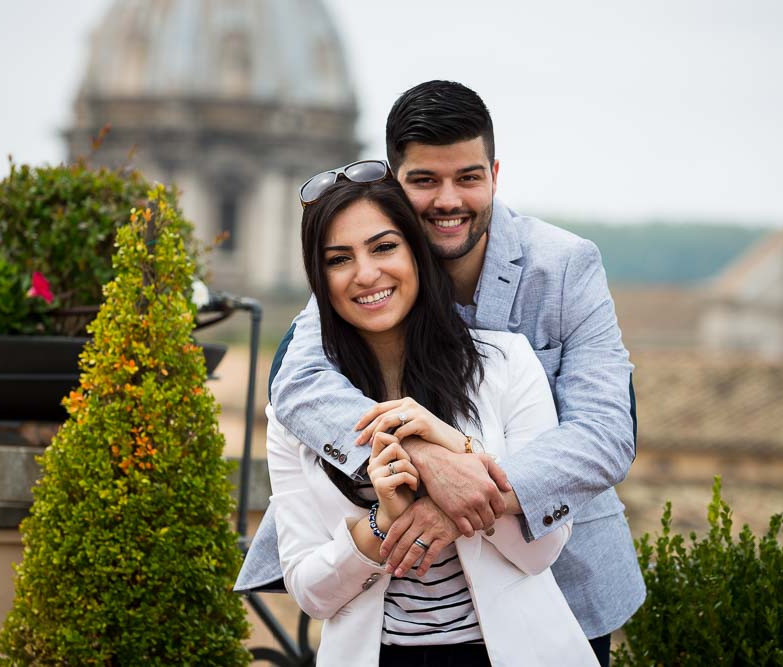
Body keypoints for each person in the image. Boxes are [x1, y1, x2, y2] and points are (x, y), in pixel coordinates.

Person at [237, 81, 645, 666]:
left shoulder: (565, 267)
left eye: (469, 178)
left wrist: (460, 492)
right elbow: (297, 380)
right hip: (382, 617)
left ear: (495, 175)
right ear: (395, 185)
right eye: (425, 180)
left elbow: (606, 433)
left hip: (561, 586)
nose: (448, 200)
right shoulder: (373, 257)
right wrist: (424, 459)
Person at [267, 172, 598, 665]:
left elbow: (542, 551)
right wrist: (384, 523)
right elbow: (310, 593)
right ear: (320, 280)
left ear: (417, 254)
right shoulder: (295, 413)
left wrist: (456, 459)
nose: (365, 274)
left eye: (383, 248)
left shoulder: (507, 365)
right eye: (339, 259)